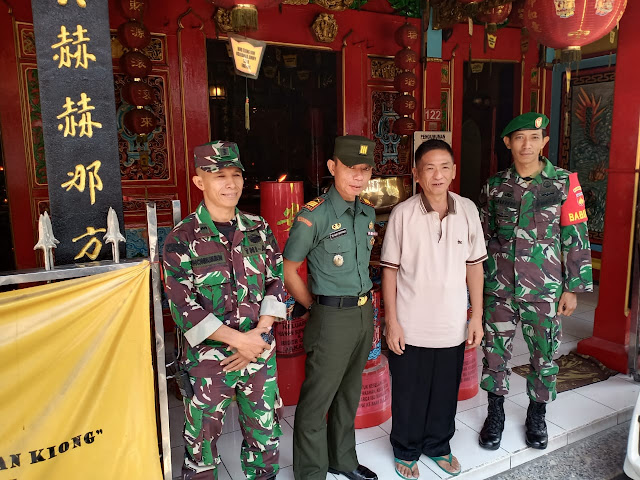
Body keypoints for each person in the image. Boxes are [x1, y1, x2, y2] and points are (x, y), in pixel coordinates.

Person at [163, 141, 287, 480]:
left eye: (236, 175)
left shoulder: (259, 228)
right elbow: (182, 306)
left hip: (259, 351)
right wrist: (240, 341)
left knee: (265, 435)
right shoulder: (181, 239)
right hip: (209, 361)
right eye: (219, 176)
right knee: (202, 442)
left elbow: (276, 281)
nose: (230, 183)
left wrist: (258, 336)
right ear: (199, 181)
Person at [478, 112, 593, 451]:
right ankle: (495, 414)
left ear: (544, 142)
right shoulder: (494, 185)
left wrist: (573, 288)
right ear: (508, 143)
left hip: (545, 288)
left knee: (544, 355)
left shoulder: (564, 183)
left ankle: (537, 414)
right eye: (519, 138)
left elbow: (576, 235)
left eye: (533, 137)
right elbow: (482, 237)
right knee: (494, 354)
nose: (526, 144)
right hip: (499, 287)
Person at [381, 139, 487, 479]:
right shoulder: (403, 214)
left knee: (444, 391)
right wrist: (392, 322)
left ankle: (438, 445)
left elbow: (474, 267)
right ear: (416, 174)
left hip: (452, 323)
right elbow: (389, 271)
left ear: (453, 171)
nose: (437, 175)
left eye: (444, 167)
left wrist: (476, 317)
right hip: (411, 324)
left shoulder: (468, 209)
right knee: (409, 392)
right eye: (429, 168)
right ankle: (406, 448)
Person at [284, 135, 378, 480]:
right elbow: (289, 269)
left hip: (363, 313)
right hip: (331, 318)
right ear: (332, 167)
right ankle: (311, 473)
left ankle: (342, 459)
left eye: (365, 169)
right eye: (351, 168)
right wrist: (312, 304)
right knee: (317, 400)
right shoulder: (315, 215)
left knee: (349, 393)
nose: (358, 176)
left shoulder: (366, 212)